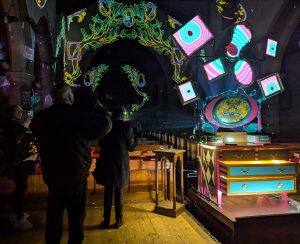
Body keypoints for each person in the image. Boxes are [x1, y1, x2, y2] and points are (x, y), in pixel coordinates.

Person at [31, 82, 112, 244]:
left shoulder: (41, 117)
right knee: (76, 217)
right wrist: (97, 106)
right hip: (75, 173)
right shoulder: (79, 117)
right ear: (70, 97)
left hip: (52, 173)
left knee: (54, 214)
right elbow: (105, 126)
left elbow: (34, 130)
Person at [93, 106, 139, 229]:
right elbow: (131, 147)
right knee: (119, 192)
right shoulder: (126, 128)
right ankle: (118, 220)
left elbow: (100, 144)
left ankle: (106, 220)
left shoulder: (106, 127)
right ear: (122, 116)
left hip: (106, 162)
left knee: (107, 192)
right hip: (120, 164)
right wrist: (137, 137)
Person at [3, 105, 35, 230]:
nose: (21, 113)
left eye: (21, 110)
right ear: (12, 113)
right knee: (21, 189)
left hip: (24, 161)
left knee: (21, 188)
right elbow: (16, 139)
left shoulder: (17, 125)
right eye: (18, 111)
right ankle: (19, 218)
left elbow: (28, 138)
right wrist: (25, 126)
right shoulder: (10, 126)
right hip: (18, 163)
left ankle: (15, 213)